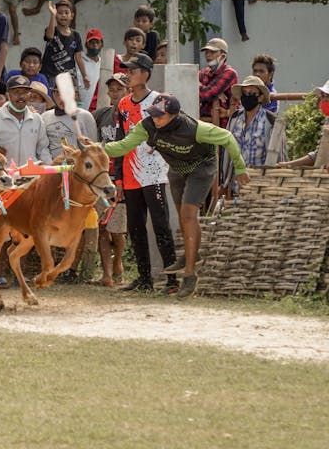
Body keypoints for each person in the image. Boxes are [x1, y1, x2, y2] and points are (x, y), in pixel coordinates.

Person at [102, 92, 250, 298]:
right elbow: (122, 146)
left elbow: (227, 138)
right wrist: (98, 148)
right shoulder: (148, 127)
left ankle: (190, 274)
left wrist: (240, 168)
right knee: (183, 217)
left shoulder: (194, 128)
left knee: (189, 214)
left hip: (201, 167)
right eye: (153, 114)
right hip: (177, 170)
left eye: (160, 116)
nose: (155, 119)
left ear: (174, 115)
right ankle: (192, 253)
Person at [113, 53, 176, 293]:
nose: (128, 75)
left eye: (132, 71)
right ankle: (144, 279)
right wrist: (118, 177)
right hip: (129, 174)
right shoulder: (122, 104)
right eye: (127, 71)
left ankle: (172, 280)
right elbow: (120, 140)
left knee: (161, 225)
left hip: (154, 173)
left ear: (145, 74)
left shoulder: (159, 101)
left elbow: (169, 132)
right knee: (135, 227)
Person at [93, 73, 129, 286]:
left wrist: (122, 180)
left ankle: (119, 264)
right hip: (102, 178)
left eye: (119, 89)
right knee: (101, 227)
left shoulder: (131, 116)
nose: (115, 93)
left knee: (117, 229)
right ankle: (106, 273)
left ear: (127, 91)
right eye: (112, 90)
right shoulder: (102, 114)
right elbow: (82, 120)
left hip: (122, 178)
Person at [222, 75, 283, 195]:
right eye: (244, 93)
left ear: (260, 97)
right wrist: (225, 182)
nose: (247, 96)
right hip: (236, 188)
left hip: (261, 188)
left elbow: (280, 156)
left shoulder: (271, 122)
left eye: (251, 93)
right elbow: (227, 153)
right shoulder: (234, 119)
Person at [276, 79, 329, 168]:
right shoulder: (328, 121)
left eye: (328, 97)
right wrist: (287, 164)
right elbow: (317, 154)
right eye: (323, 96)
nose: (324, 100)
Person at [0, 75, 51, 165]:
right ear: (8, 95)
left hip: (30, 175)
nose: (21, 96)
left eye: (25, 92)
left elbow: (43, 149)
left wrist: (50, 168)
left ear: (29, 95)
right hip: (4, 176)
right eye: (16, 92)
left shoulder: (37, 119)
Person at [40, 0, 89, 91]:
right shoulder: (51, 30)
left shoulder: (76, 35)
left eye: (66, 12)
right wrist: (52, 16)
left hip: (68, 77)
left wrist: (84, 75)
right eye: (59, 13)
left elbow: (78, 58)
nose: (63, 15)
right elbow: (49, 36)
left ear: (72, 16)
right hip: (50, 75)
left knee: (68, 104)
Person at [42, 85, 97, 159]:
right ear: (53, 94)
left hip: (77, 167)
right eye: (58, 94)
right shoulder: (45, 117)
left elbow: (93, 147)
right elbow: (42, 147)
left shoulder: (85, 116)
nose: (62, 98)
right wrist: (50, 164)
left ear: (75, 95)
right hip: (52, 167)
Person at [199, 37, 238, 127]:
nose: (208, 55)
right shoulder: (204, 72)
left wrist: (207, 90)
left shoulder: (230, 73)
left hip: (224, 126)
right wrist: (214, 92)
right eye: (206, 52)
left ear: (223, 56)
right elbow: (190, 85)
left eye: (212, 52)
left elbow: (207, 94)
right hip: (204, 123)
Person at [78, 28, 103, 111]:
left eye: (97, 42)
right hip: (79, 107)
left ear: (102, 44)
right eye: (91, 42)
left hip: (97, 109)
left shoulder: (104, 65)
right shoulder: (79, 62)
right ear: (86, 45)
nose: (94, 45)